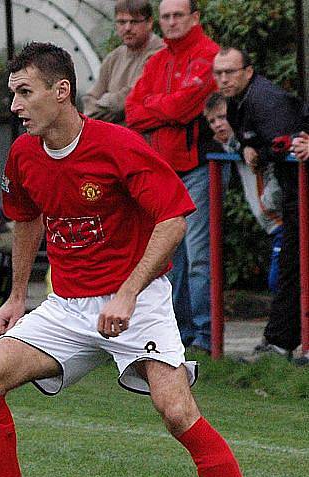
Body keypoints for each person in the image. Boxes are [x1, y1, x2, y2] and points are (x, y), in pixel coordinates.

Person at [0, 42, 278, 477]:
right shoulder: (23, 155)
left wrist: (128, 292)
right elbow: (26, 219)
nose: (14, 105)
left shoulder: (118, 145)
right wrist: (17, 296)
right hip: (67, 306)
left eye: (24, 92)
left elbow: (173, 219)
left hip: (140, 301)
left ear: (61, 92)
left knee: (176, 411)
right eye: (12, 94)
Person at [125, 0, 219, 353]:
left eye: (179, 15)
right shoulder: (158, 60)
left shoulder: (208, 55)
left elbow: (184, 108)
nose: (172, 21)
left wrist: (160, 106)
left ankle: (209, 338)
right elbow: (133, 112)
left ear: (195, 18)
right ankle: (179, 335)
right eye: (166, 16)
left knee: (198, 257)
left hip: (195, 168)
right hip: (163, 172)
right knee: (170, 259)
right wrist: (166, 108)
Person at [213, 47, 305, 361]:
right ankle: (280, 340)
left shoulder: (266, 100)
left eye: (230, 72)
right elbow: (259, 139)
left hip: (299, 193)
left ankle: (280, 341)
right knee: (291, 267)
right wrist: (250, 146)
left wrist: (259, 151)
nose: (223, 79)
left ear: (248, 72)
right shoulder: (239, 102)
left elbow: (283, 144)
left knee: (293, 267)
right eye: (218, 73)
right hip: (292, 196)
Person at [203, 92, 283, 293]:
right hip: (273, 224)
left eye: (222, 117)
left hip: (281, 219)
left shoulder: (253, 141)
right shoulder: (233, 146)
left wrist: (270, 202)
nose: (217, 125)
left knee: (279, 282)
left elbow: (274, 169)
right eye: (212, 121)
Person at [82, 0, 163, 125]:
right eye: (121, 22)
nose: (127, 28)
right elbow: (90, 98)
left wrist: (105, 101)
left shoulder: (160, 53)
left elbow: (131, 97)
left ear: (149, 22)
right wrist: (104, 107)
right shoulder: (113, 57)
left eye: (134, 22)